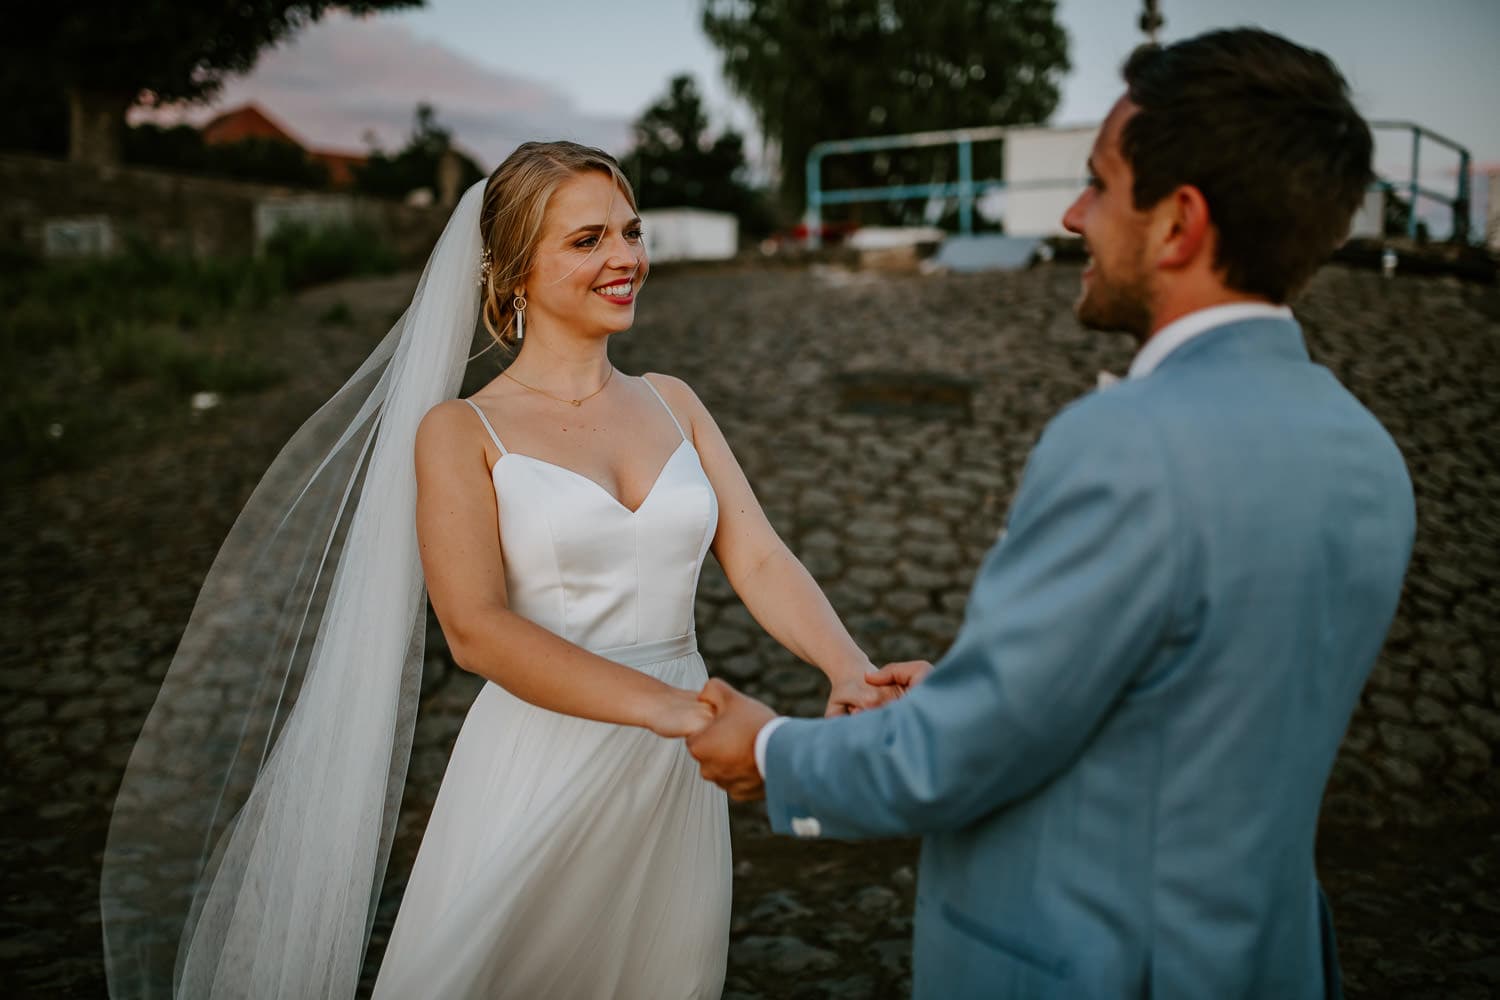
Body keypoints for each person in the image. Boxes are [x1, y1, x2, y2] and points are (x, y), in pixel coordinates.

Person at [686, 28, 1416, 999]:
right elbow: (1200, 693)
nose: (1074, 216)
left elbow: (955, 758)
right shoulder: (1363, 447)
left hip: (1094, 965)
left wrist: (773, 754)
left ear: (1178, 224)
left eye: (1101, 185)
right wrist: (975, 682)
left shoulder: (1127, 440)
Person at [101, 141, 893, 999]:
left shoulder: (676, 400)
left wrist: (845, 664)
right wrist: (672, 709)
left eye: (630, 232)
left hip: (675, 769)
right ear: (514, 270)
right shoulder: (461, 431)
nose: (625, 257)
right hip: (544, 755)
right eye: (587, 241)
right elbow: (476, 631)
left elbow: (760, 554)